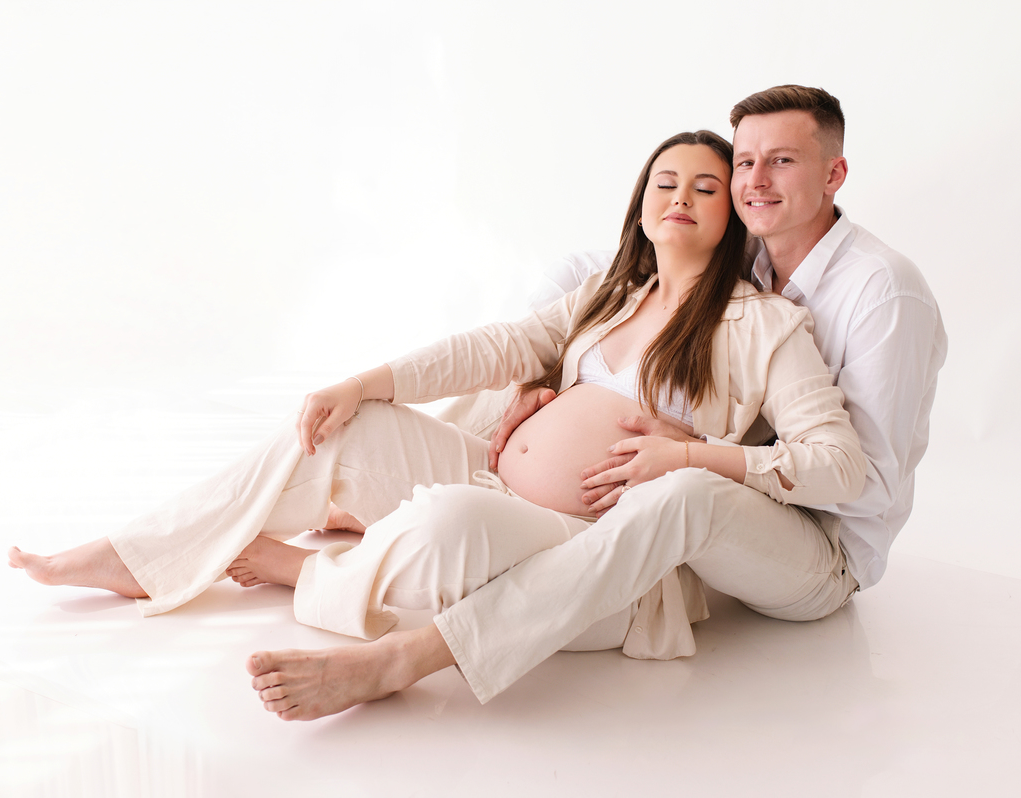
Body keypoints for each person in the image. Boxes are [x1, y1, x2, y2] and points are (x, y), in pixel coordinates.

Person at [244, 85, 947, 720]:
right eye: (745, 165)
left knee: (685, 494)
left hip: (819, 550)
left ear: (834, 174)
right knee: (509, 400)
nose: (754, 181)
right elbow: (574, 288)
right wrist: (538, 388)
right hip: (654, 515)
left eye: (781, 163)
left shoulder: (880, 294)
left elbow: (856, 483)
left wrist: (692, 452)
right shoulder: (743, 256)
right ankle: (244, 541)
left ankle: (409, 652)